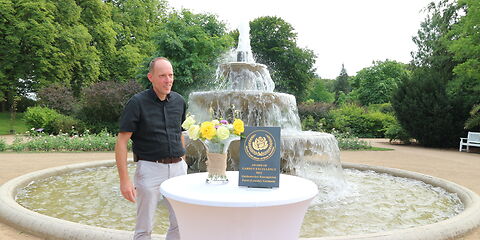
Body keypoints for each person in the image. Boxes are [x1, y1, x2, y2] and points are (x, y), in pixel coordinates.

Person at [115, 57, 188, 240]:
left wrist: (183, 161)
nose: (168, 80)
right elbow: (122, 142)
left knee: (180, 224)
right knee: (144, 228)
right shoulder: (137, 103)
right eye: (162, 75)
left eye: (170, 75)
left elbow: (179, 132)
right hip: (150, 170)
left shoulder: (179, 101)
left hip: (179, 169)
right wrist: (124, 180)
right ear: (151, 77)